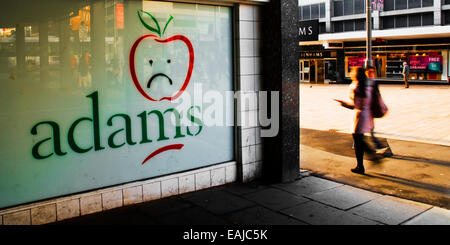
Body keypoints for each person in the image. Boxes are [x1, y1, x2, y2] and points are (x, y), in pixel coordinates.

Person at [334, 67, 379, 174]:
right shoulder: (368, 86)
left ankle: (363, 163)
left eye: (352, 72)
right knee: (360, 139)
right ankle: (365, 161)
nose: (351, 73)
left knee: (358, 140)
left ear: (356, 75)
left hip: (359, 115)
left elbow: (355, 105)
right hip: (367, 114)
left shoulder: (357, 87)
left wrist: (343, 104)